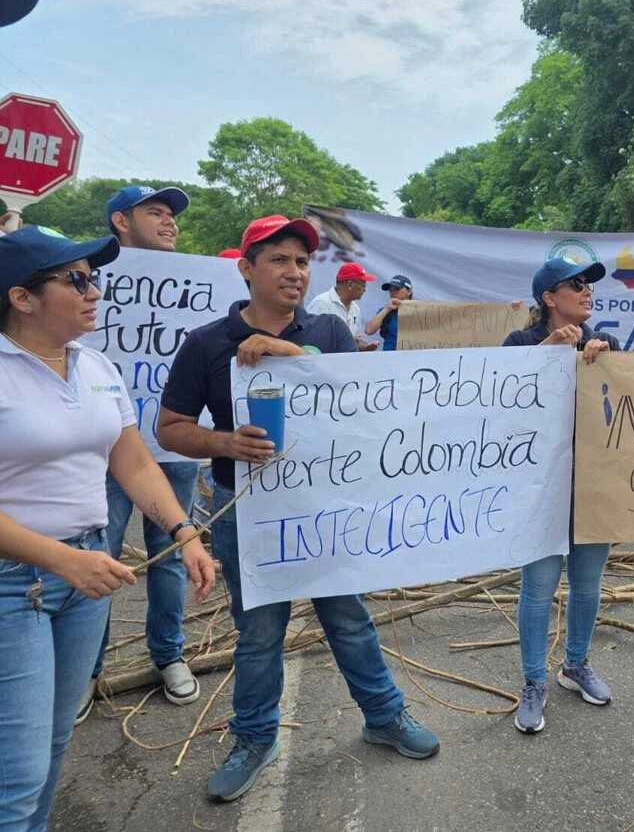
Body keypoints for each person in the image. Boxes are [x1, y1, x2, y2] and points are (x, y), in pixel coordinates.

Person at [157, 215, 439, 803]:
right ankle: (255, 738)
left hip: (323, 508)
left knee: (349, 617)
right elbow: (171, 428)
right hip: (245, 511)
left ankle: (384, 717)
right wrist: (224, 442)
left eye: (303, 262)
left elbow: (361, 409)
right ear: (247, 269)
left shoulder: (329, 333)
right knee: (259, 632)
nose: (294, 272)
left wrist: (292, 352)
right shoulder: (208, 343)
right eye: (279, 260)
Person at [0, 226, 213, 830]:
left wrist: (184, 531)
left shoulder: (96, 365)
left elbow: (134, 461)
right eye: (77, 279)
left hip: (84, 578)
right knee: (14, 773)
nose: (95, 290)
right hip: (15, 585)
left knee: (53, 745)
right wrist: (61, 560)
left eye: (94, 277)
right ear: (22, 298)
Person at [79, 184, 204, 723]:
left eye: (172, 214)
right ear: (120, 222)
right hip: (102, 450)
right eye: (155, 212)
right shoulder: (85, 277)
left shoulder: (204, 286)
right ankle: (86, 669)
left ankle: (168, 655)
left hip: (173, 446)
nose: (169, 221)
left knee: (172, 555)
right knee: (97, 559)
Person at [502, 257, 618, 734]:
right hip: (541, 487)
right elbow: (502, 402)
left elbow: (623, 408)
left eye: (588, 285)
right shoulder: (520, 344)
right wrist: (548, 352)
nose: (586, 292)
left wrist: (610, 362)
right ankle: (533, 682)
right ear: (549, 298)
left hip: (593, 483)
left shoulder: (604, 341)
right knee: (538, 589)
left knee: (588, 585)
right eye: (575, 285)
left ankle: (576, 665)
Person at [306, 262, 379, 351]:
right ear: (350, 284)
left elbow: (353, 341)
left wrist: (365, 347)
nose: (364, 290)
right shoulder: (321, 303)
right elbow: (308, 340)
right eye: (363, 285)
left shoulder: (355, 309)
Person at [365, 273, 412, 352]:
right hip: (390, 358)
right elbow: (369, 331)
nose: (392, 292)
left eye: (397, 289)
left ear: (409, 291)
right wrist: (387, 309)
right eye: (390, 289)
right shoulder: (386, 311)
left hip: (414, 357)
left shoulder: (420, 310)